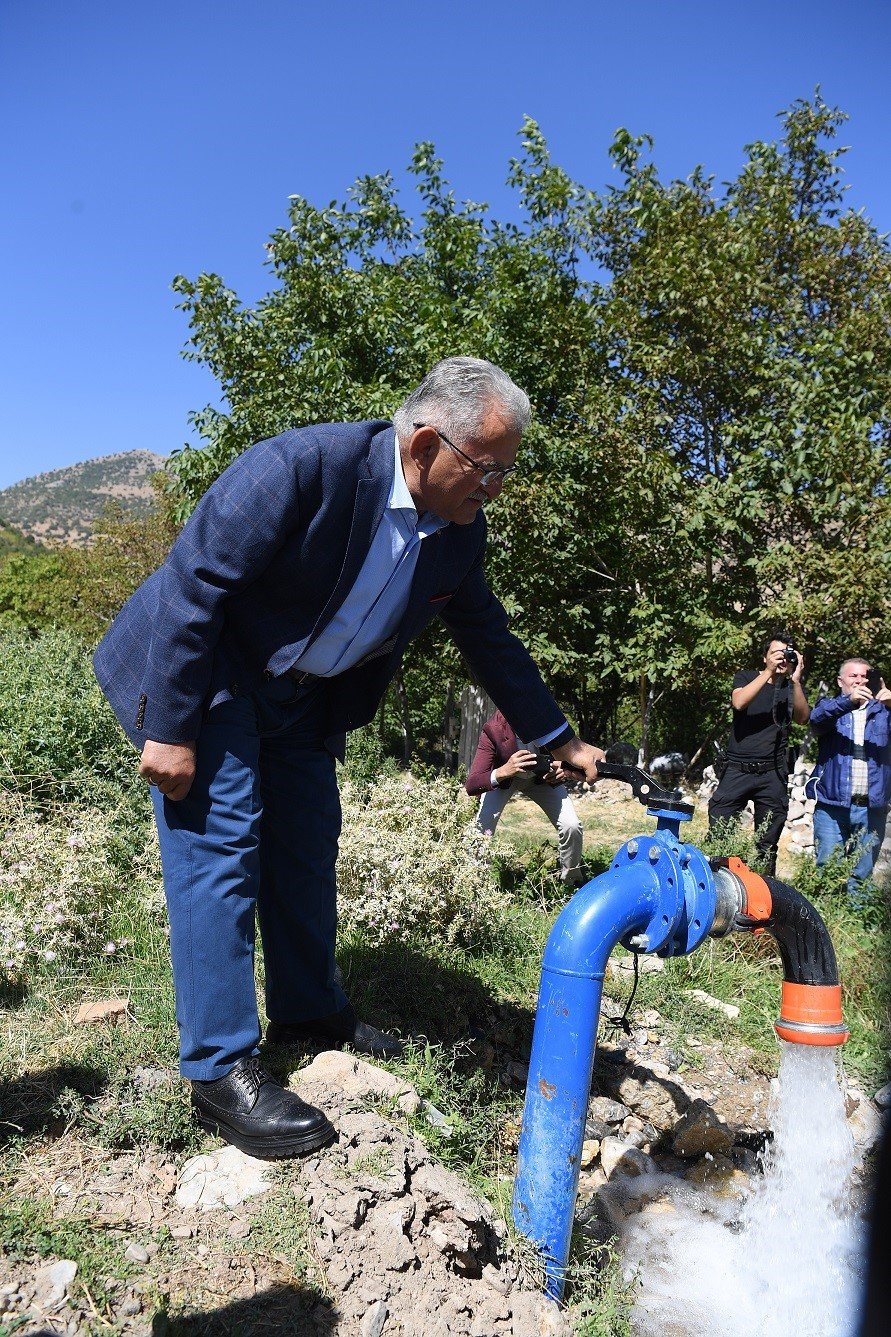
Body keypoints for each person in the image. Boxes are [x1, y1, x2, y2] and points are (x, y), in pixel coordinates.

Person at [93, 356, 605, 1160]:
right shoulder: (301, 467)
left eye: (505, 470)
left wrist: (556, 736)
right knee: (220, 847)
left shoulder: (457, 534)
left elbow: (488, 638)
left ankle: (309, 1010)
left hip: (303, 697)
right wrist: (173, 730)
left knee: (304, 847)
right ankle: (220, 1068)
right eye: (487, 468)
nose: (494, 488)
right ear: (427, 442)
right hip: (211, 675)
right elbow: (194, 586)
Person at [708, 634, 810, 875]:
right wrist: (768, 672)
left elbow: (803, 718)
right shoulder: (747, 677)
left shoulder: (790, 688)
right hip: (737, 769)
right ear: (765, 657)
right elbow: (739, 702)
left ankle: (764, 896)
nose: (782, 658)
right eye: (776, 653)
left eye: (787, 654)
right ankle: (718, 885)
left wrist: (795, 681)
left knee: (766, 844)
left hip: (773, 774)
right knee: (720, 833)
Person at [466, 709, 586, 886]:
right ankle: (474, 884)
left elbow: (572, 758)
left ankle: (572, 881)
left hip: (542, 781)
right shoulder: (493, 729)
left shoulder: (550, 721)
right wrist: (504, 771)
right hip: (506, 780)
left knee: (572, 825)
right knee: (481, 828)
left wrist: (562, 769)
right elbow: (472, 784)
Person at [808, 658, 891, 904]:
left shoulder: (884, 711)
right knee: (827, 868)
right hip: (831, 805)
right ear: (840, 681)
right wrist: (848, 702)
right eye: (853, 676)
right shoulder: (830, 707)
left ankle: (855, 923)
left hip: (871, 806)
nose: (860, 681)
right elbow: (815, 719)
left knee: (862, 873)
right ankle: (826, 918)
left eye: (865, 676)